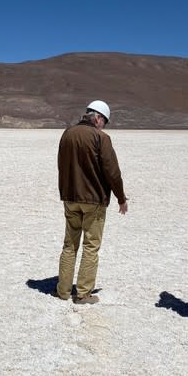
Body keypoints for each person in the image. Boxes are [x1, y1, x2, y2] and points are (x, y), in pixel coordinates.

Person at [56, 100, 128, 304]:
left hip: (70, 197)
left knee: (69, 245)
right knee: (90, 246)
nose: (103, 125)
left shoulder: (67, 133)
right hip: (93, 200)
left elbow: (62, 164)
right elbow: (112, 172)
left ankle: (62, 290)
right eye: (104, 121)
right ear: (97, 117)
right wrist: (121, 198)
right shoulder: (100, 138)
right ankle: (83, 293)